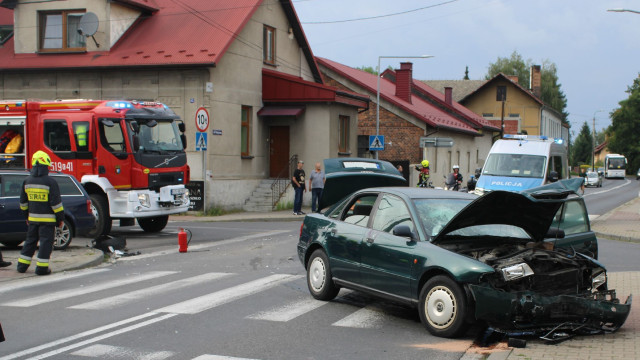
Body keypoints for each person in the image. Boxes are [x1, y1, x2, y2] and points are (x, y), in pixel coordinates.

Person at [17, 150, 64, 275]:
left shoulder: (27, 181)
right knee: (45, 243)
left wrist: (26, 216)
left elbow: (23, 203)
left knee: (30, 242)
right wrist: (60, 219)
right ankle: (42, 268)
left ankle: (22, 266)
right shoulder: (51, 182)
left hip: (32, 220)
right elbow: (56, 205)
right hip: (48, 222)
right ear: (46, 165)